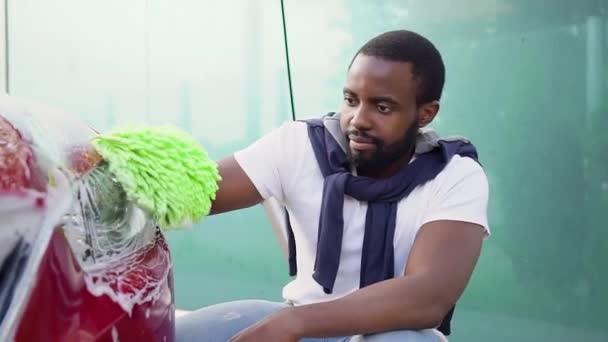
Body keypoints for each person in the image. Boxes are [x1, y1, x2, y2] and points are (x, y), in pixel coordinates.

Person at [176, 29, 490, 342]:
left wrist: (292, 324)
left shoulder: (454, 174)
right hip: (301, 317)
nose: (357, 119)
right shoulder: (301, 144)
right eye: (351, 100)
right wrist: (137, 174)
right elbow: (193, 191)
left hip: (392, 332)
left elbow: (428, 297)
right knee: (172, 335)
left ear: (425, 113)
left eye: (382, 107)